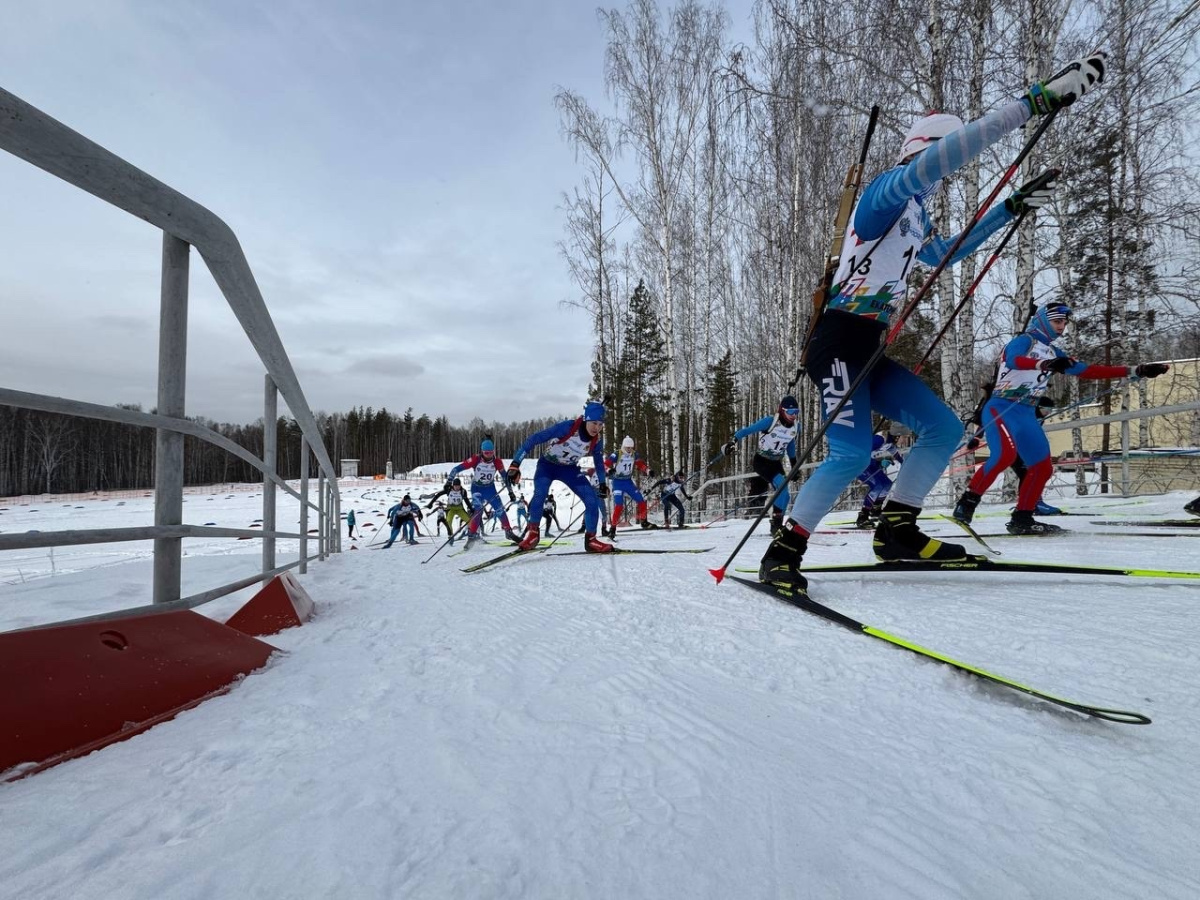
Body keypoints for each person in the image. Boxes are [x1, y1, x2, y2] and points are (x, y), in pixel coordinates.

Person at [759, 52, 1108, 589]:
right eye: (942, 163)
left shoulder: (916, 212)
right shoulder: (885, 192)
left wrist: (1010, 208)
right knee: (850, 453)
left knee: (943, 428)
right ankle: (784, 549)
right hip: (836, 340)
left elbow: (950, 251)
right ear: (925, 153)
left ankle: (897, 530)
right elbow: (950, 157)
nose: (944, 180)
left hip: (868, 344)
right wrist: (1033, 103)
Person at [952, 303, 1169, 533]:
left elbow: (1087, 370)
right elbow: (1014, 360)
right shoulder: (1025, 340)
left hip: (1026, 413)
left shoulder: (1054, 352)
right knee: (1004, 455)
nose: (1062, 327)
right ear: (1044, 320)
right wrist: (1044, 364)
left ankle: (1022, 519)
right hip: (1001, 408)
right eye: (1057, 322)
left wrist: (1137, 370)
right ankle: (966, 504)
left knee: (1042, 467)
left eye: (1064, 323)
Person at [510, 400, 612, 553]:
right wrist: (515, 463)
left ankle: (591, 540)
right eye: (594, 423)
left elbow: (598, 461)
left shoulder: (597, 440)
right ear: (586, 419)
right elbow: (535, 438)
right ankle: (533, 534)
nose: (597, 428)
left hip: (569, 470)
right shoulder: (568, 427)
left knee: (591, 500)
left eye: (600, 424)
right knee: (540, 494)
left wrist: (603, 482)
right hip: (547, 466)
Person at [964, 396, 1064, 515]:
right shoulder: (1020, 410)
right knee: (1026, 472)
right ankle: (1032, 504)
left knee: (1035, 472)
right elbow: (988, 422)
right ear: (1038, 407)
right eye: (1046, 409)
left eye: (1050, 410)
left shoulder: (1037, 418)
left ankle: (1030, 504)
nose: (1047, 413)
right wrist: (977, 437)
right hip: (1011, 447)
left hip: (1024, 449)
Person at [725, 395, 800, 536]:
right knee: (782, 488)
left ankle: (777, 522)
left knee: (786, 496)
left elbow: (790, 444)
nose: (794, 415)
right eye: (790, 412)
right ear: (782, 411)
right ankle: (775, 526)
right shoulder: (770, 421)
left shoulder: (796, 427)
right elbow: (747, 430)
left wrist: (794, 464)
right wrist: (733, 441)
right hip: (762, 461)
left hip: (776, 462)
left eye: (796, 412)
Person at [447, 439, 521, 547]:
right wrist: (449, 481)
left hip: (490, 488)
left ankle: (508, 532)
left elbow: (505, 478)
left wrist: (511, 492)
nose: (488, 455)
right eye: (486, 453)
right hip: (477, 489)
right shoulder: (475, 459)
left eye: (491, 452)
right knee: (478, 511)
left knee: (499, 508)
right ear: (482, 451)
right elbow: (456, 469)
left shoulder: (497, 462)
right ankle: (472, 536)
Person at [605, 435, 656, 537]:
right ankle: (613, 528)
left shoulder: (634, 454)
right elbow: (605, 464)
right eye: (627, 447)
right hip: (617, 483)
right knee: (619, 506)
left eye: (631, 447)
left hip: (628, 482)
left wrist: (648, 471)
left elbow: (640, 464)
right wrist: (609, 470)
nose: (629, 449)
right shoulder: (617, 454)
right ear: (623, 446)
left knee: (641, 500)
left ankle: (643, 521)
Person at [853, 428, 905, 528]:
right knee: (877, 486)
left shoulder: (890, 442)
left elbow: (895, 453)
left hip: (871, 466)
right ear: (897, 436)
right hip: (860, 465)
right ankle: (863, 517)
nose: (905, 441)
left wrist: (904, 464)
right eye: (904, 437)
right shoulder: (879, 439)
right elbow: (863, 452)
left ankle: (875, 510)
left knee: (887, 484)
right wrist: (881, 461)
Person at [427, 478, 471, 544]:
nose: (457, 487)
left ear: (460, 485)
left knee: (469, 521)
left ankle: (472, 535)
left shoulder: (463, 491)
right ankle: (451, 537)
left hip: (460, 509)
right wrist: (430, 503)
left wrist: (471, 508)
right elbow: (438, 495)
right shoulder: (449, 490)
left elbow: (466, 500)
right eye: (455, 486)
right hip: (451, 509)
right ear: (453, 485)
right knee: (449, 522)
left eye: (458, 486)